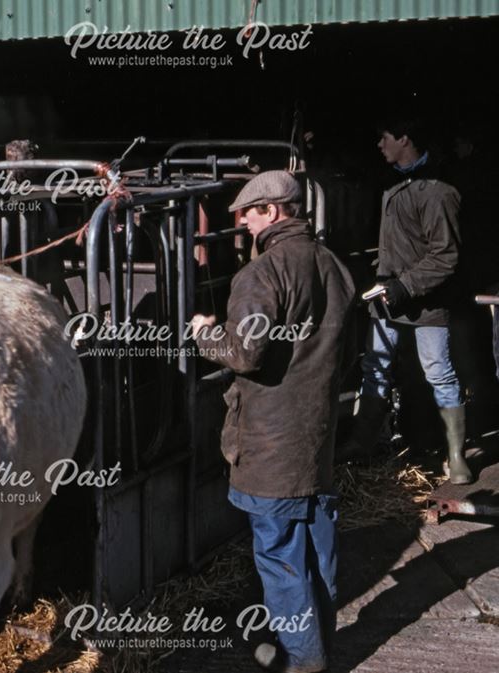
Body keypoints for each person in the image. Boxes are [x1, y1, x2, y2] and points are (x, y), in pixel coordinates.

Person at [191, 170, 355, 673]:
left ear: (273, 211)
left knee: (280, 557)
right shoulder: (334, 267)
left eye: (248, 212)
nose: (241, 222)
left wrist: (205, 333)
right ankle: (319, 641)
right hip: (317, 435)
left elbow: (244, 353)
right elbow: (349, 351)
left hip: (270, 442)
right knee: (316, 550)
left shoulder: (260, 275)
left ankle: (301, 659)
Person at [344, 118, 472, 484]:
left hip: (426, 301)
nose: (380, 145)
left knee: (438, 372)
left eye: (384, 138)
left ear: (404, 138)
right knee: (375, 366)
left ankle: (456, 455)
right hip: (387, 294)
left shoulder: (438, 190)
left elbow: (445, 256)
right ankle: (362, 441)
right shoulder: (390, 181)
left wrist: (404, 285)